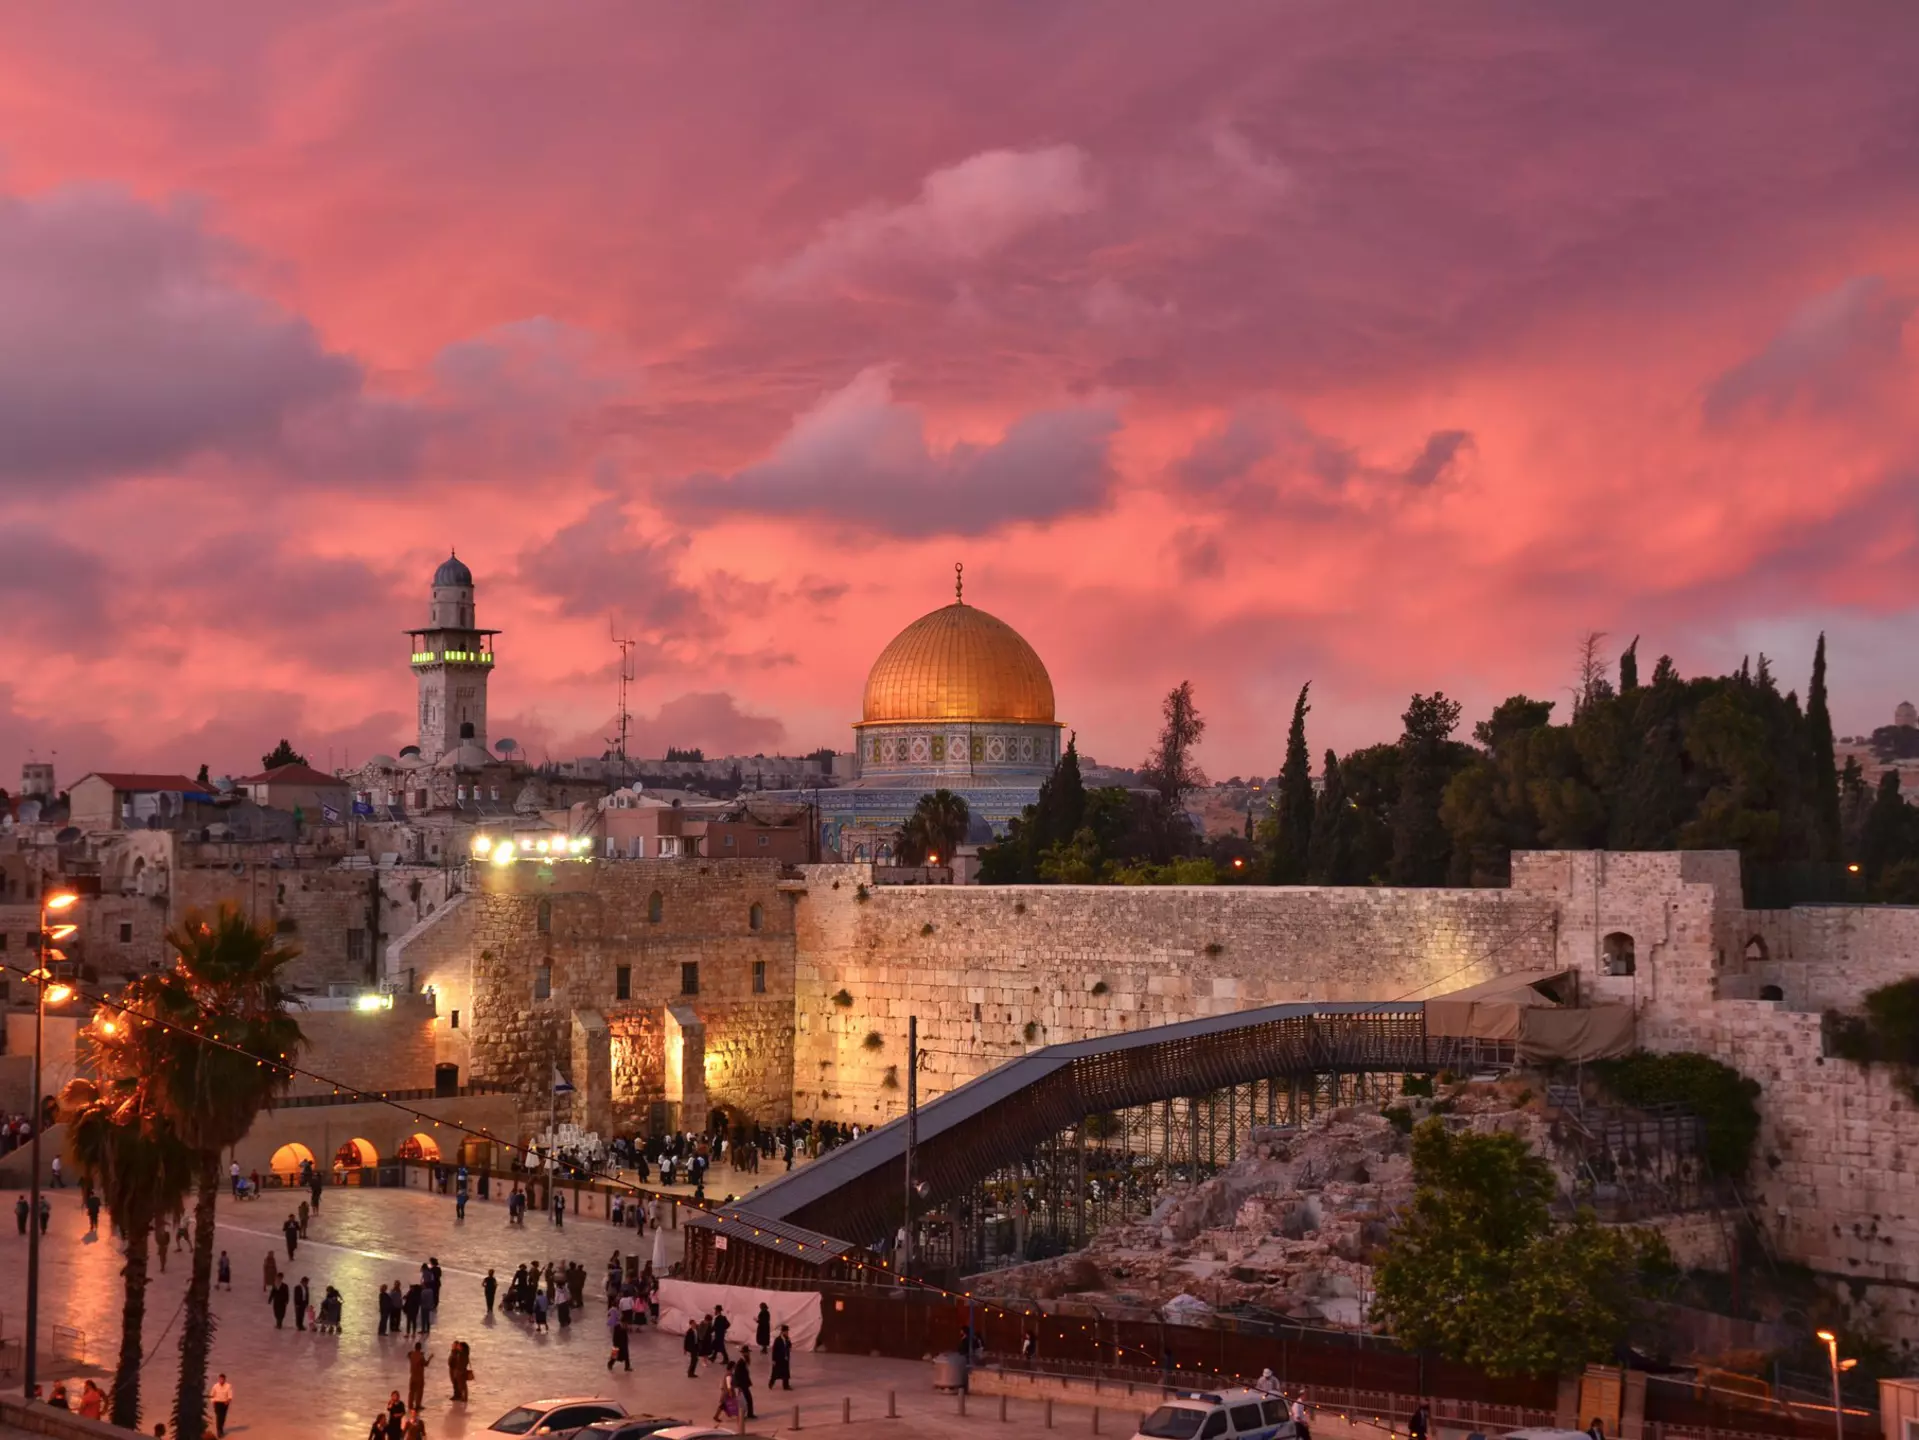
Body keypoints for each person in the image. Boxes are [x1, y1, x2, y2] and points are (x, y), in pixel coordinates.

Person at [406, 1341, 432, 1411]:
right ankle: (417, 1405)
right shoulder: (421, 1357)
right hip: (419, 1377)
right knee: (419, 1392)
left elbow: (408, 1355)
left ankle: (410, 1405)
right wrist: (430, 1358)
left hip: (412, 1376)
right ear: (420, 1348)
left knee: (411, 1391)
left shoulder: (411, 1354)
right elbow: (426, 1364)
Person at [732, 1350, 756, 1421]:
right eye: (747, 1352)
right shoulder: (740, 1362)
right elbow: (737, 1374)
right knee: (746, 1399)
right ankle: (747, 1414)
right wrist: (739, 1385)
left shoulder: (744, 1361)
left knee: (747, 1399)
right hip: (742, 1385)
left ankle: (749, 1413)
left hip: (744, 1384)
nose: (748, 1354)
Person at [770, 1324, 793, 1389]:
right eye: (786, 1331)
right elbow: (774, 1350)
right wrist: (773, 1359)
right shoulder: (778, 1340)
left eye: (787, 1331)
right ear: (782, 1332)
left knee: (786, 1372)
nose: (787, 1333)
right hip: (779, 1359)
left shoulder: (787, 1339)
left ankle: (786, 1386)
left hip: (785, 1358)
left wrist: (789, 1343)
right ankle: (771, 1382)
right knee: (776, 1372)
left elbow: (789, 1346)